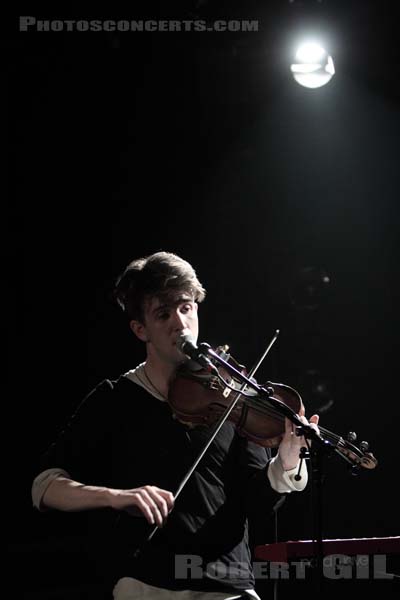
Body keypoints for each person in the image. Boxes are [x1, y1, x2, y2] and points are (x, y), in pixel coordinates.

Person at [32, 251, 319, 600]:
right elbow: (44, 487)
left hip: (226, 586)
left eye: (186, 308)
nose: (180, 324)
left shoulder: (231, 394)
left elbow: (256, 501)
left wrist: (286, 462)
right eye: (163, 314)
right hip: (147, 585)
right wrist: (117, 497)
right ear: (141, 329)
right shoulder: (115, 398)